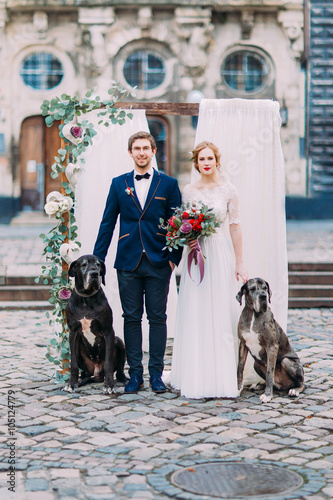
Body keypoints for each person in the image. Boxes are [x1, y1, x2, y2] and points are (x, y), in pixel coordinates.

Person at [93, 131, 183, 394]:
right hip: (128, 263)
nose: (141, 152)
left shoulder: (168, 184)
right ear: (130, 152)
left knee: (157, 318)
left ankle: (156, 374)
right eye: (137, 148)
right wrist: (98, 261)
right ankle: (135, 375)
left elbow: (177, 225)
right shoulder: (119, 183)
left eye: (146, 148)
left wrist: (172, 261)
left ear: (154, 151)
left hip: (158, 262)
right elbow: (107, 223)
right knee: (131, 319)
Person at [170, 141, 248, 399]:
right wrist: (188, 238)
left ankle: (221, 375)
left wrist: (239, 261)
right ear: (196, 163)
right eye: (201, 159)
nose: (206, 163)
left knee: (220, 310)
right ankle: (196, 372)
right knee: (197, 309)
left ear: (217, 161)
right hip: (197, 253)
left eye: (210, 158)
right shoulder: (188, 190)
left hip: (220, 252)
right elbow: (183, 223)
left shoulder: (229, 189)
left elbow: (234, 226)